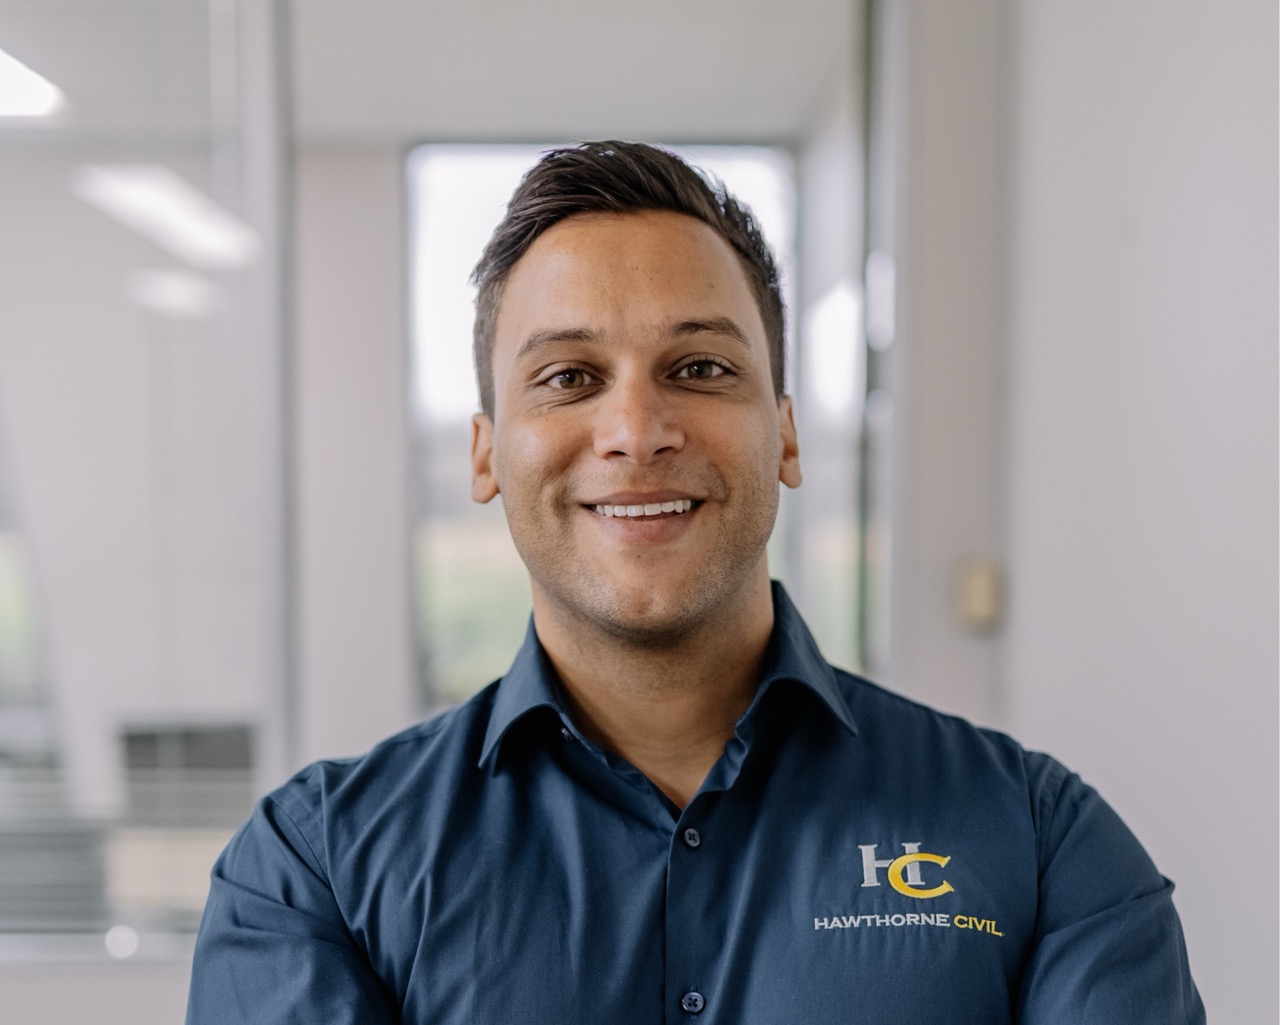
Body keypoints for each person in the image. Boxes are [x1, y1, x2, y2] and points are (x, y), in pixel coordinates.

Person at [186, 141, 1203, 1024]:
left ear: (787, 432)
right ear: (487, 452)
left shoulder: (1038, 844)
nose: (636, 430)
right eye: (568, 377)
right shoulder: (312, 874)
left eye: (700, 368)